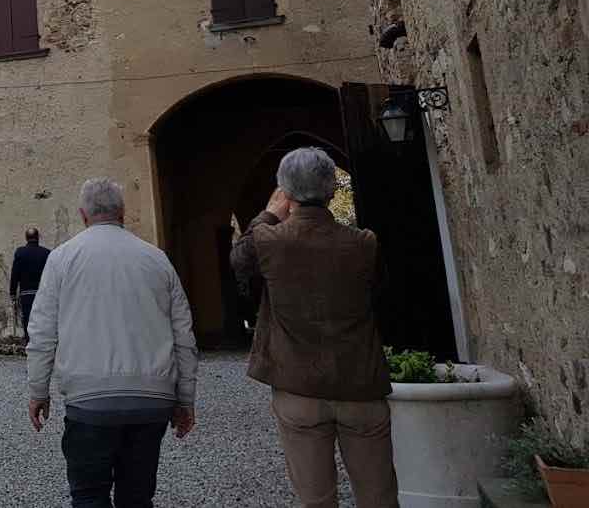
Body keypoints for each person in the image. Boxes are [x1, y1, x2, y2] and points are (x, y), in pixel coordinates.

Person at [231, 147, 398, 508]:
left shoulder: (270, 240)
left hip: (299, 387)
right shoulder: (363, 243)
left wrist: (269, 213)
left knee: (316, 499)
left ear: (286, 192)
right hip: (360, 384)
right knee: (379, 496)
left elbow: (239, 259)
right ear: (332, 191)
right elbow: (382, 298)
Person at [27, 177, 198, 508]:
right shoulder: (157, 259)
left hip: (89, 400)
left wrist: (38, 391)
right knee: (137, 497)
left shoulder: (62, 259)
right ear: (123, 212)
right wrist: (185, 398)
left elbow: (42, 332)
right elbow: (183, 335)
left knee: (89, 495)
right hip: (151, 398)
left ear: (83, 215)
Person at [9, 225, 50, 342]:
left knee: (28, 320)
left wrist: (12, 292)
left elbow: (15, 273)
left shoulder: (20, 253)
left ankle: (29, 343)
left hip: (26, 294)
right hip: (42, 294)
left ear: (26, 238)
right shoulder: (46, 253)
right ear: (38, 237)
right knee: (42, 320)